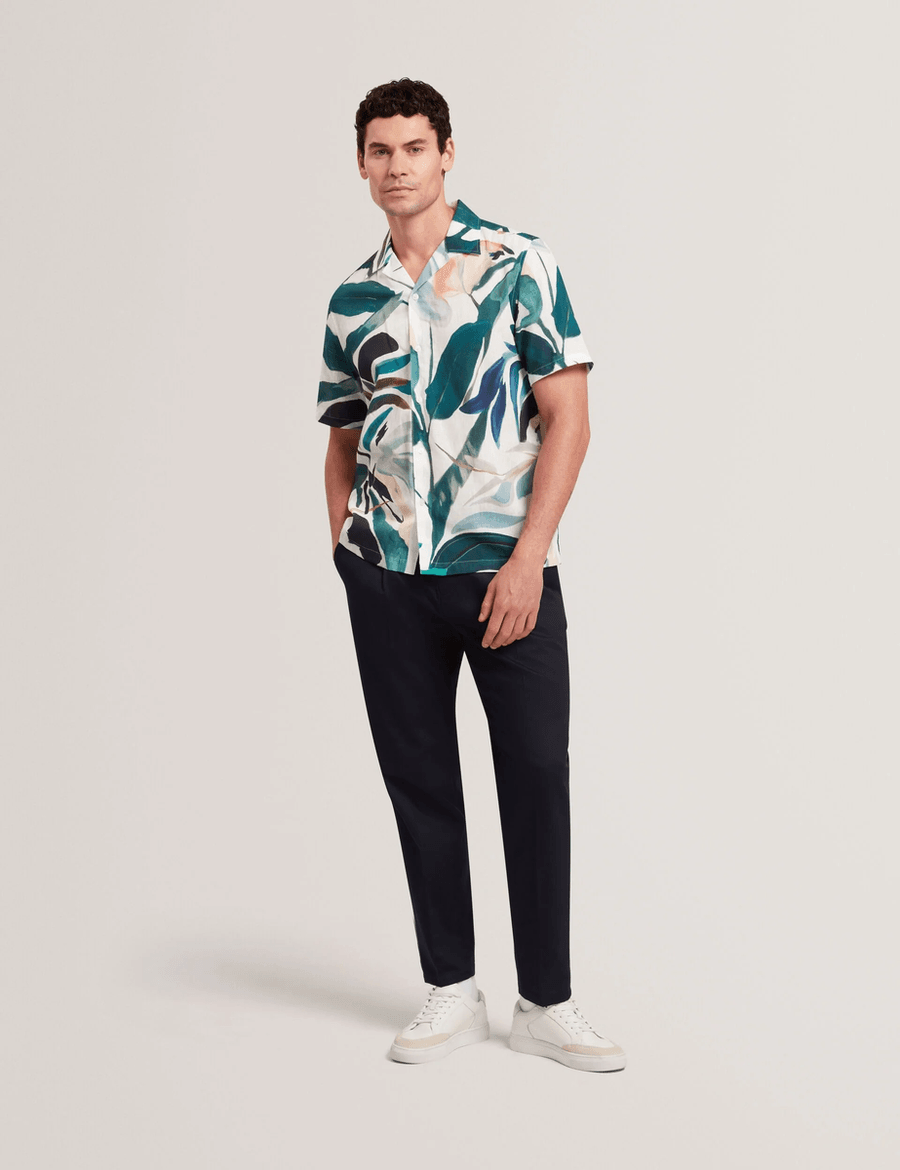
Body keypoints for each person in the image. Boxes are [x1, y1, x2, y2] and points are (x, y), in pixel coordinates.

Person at [317, 77, 626, 1073]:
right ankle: (450, 987)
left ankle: (546, 1001)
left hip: (506, 575)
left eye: (414, 147)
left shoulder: (520, 264)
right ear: (361, 164)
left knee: (535, 773)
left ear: (447, 153)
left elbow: (569, 419)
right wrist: (349, 552)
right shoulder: (353, 298)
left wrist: (529, 558)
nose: (396, 166)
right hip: (388, 579)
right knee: (419, 781)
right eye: (379, 150)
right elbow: (342, 437)